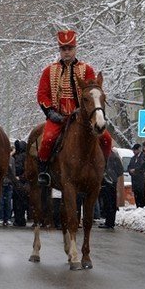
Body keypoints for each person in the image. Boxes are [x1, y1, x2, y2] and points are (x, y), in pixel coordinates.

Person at [36, 30, 113, 185]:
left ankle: (104, 170)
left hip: (81, 117)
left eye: (70, 48)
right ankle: (44, 172)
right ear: (60, 50)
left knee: (106, 139)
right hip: (58, 116)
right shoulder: (49, 71)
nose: (67, 52)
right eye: (63, 49)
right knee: (47, 139)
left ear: (75, 49)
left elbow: (93, 91)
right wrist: (51, 113)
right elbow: (42, 95)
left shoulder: (87, 69)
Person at [98, 147, 125, 229]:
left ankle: (109, 222)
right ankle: (109, 221)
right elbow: (120, 170)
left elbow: (120, 170)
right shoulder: (113, 154)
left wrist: (111, 176)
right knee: (109, 202)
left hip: (109, 182)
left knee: (109, 202)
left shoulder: (111, 155)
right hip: (109, 181)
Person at [12, 140, 29, 227]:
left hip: (19, 181)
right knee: (20, 202)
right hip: (21, 181)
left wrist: (20, 177)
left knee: (18, 202)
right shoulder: (25, 156)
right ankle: (20, 219)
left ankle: (19, 219)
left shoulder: (20, 156)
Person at [128, 143, 145, 208]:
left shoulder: (143, 156)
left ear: (138, 149)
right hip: (134, 180)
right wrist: (130, 171)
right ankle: (138, 207)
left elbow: (143, 167)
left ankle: (142, 207)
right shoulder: (133, 158)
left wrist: (135, 170)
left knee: (141, 195)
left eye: (135, 150)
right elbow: (129, 166)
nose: (133, 151)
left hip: (141, 180)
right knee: (136, 195)